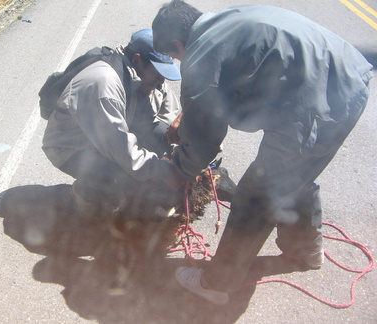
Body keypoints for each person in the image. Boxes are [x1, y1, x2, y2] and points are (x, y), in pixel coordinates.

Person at [152, 1, 373, 305]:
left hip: (318, 101)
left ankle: (216, 283)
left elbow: (206, 135)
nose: (179, 61)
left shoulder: (201, 53)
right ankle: (305, 250)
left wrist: (179, 169)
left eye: (175, 55)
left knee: (256, 195)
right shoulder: (233, 16)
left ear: (178, 42)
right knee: (296, 173)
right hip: (349, 78)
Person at [42, 28, 183, 217]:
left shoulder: (149, 77)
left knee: (161, 137)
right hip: (73, 147)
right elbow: (119, 148)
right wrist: (163, 171)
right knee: (118, 181)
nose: (162, 79)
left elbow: (171, 118)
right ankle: (85, 196)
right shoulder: (103, 83)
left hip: (109, 137)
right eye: (158, 73)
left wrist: (184, 145)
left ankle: (127, 187)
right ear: (136, 60)